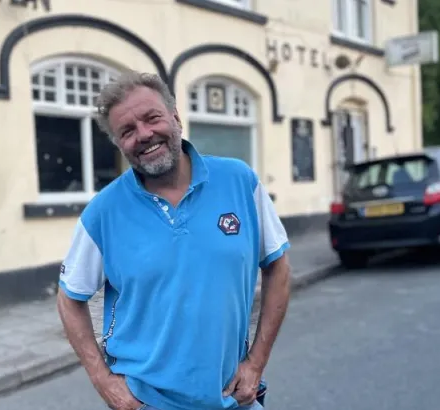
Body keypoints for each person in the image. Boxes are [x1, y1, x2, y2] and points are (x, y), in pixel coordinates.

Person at [56, 71, 292, 410]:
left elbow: (278, 267)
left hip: (233, 399)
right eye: (127, 131)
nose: (144, 134)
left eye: (152, 118)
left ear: (175, 115)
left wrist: (255, 363)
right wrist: (104, 381)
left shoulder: (239, 181)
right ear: (118, 144)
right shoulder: (103, 212)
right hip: (147, 402)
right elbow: (68, 299)